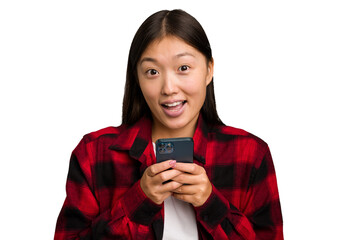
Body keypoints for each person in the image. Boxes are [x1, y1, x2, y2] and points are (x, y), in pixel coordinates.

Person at [54, 9, 283, 240]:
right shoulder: (93, 154)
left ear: (209, 70)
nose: (169, 88)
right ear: (137, 79)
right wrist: (138, 201)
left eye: (183, 68)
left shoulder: (251, 154)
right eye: (152, 71)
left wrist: (210, 202)